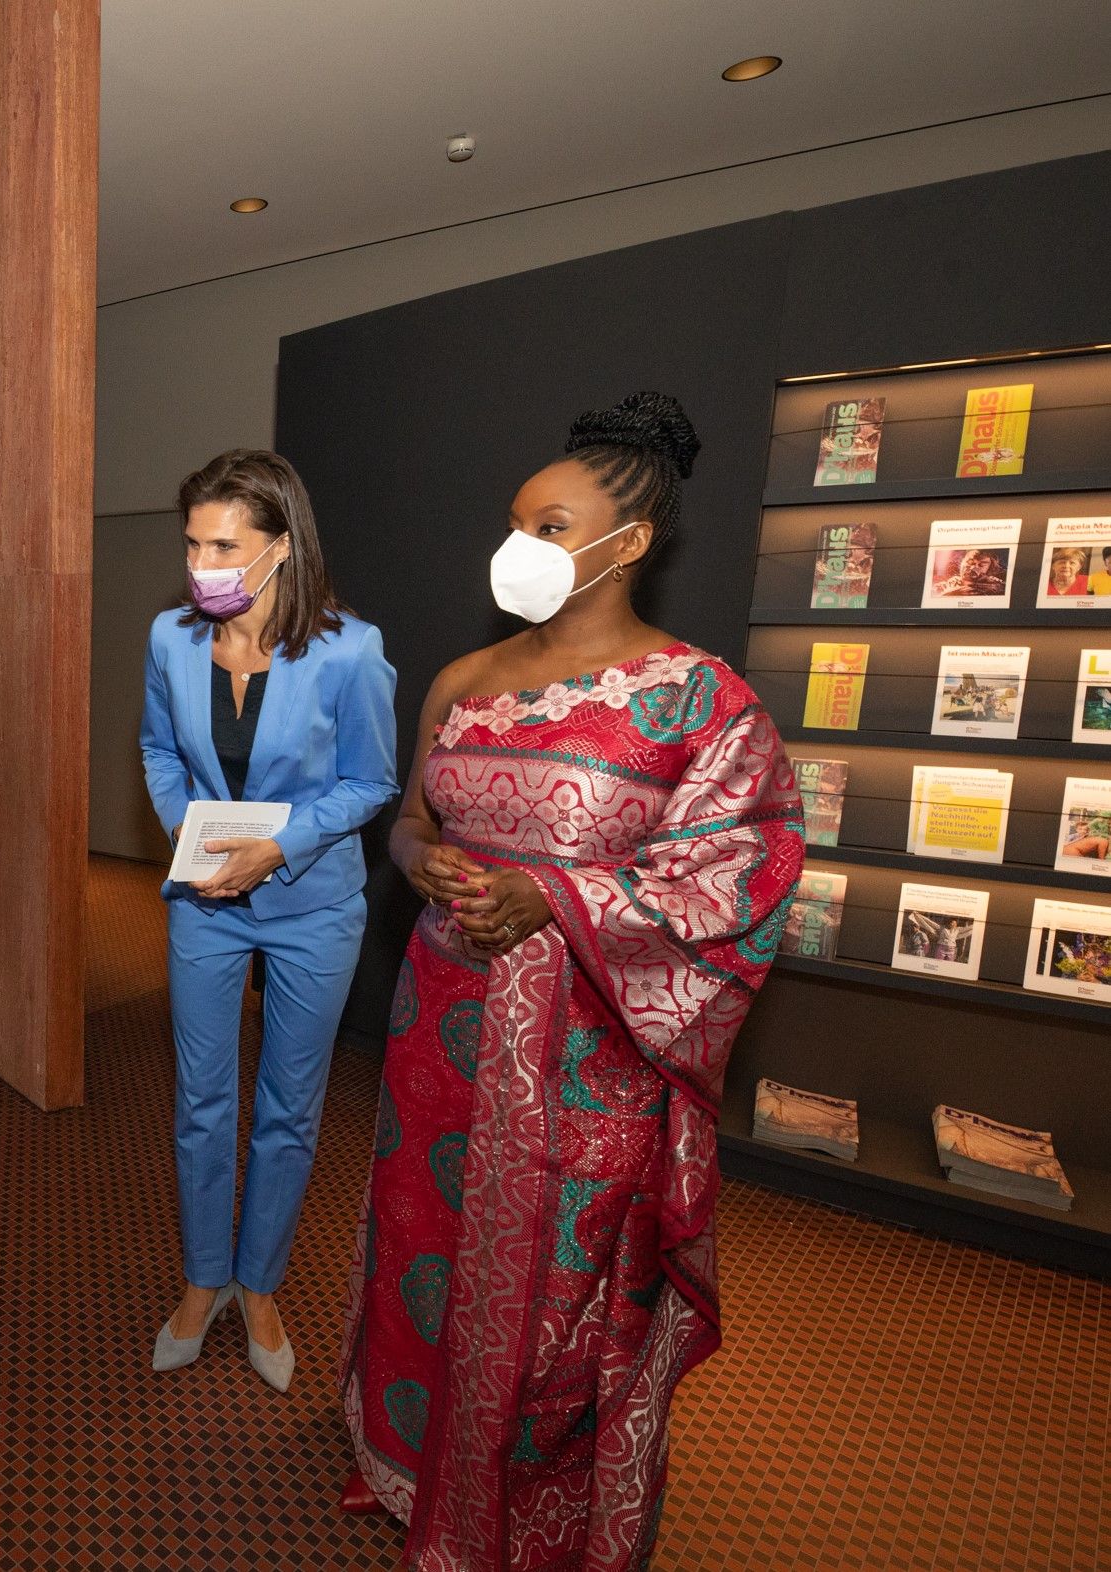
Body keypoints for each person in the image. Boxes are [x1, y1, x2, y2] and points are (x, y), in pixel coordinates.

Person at [339, 393, 803, 1568]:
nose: (519, 546)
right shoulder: (462, 677)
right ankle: (403, 1464)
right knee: (422, 1245)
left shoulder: (700, 701)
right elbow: (406, 823)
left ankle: (524, 1515)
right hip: (437, 1025)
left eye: (550, 525)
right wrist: (419, 856)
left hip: (587, 1056)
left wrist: (554, 896)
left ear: (627, 543)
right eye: (515, 522)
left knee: (555, 1292)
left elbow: (739, 876)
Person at [139, 449, 398, 1393]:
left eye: (225, 543)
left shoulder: (349, 651)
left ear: (280, 548)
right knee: (201, 1103)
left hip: (310, 908)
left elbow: (372, 782)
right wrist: (188, 831)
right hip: (205, 903)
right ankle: (204, 1279)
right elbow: (158, 750)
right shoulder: (172, 638)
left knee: (288, 1112)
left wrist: (280, 844)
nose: (204, 560)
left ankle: (260, 1285)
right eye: (193, 541)